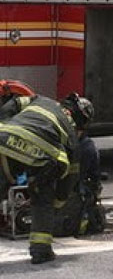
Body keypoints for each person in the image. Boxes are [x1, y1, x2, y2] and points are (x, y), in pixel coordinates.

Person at [0, 92, 93, 264]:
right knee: (43, 197)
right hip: (42, 160)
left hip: (4, 140)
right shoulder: (72, 136)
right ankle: (41, 251)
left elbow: (14, 103)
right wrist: (57, 203)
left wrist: (4, 124)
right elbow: (69, 180)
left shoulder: (41, 100)